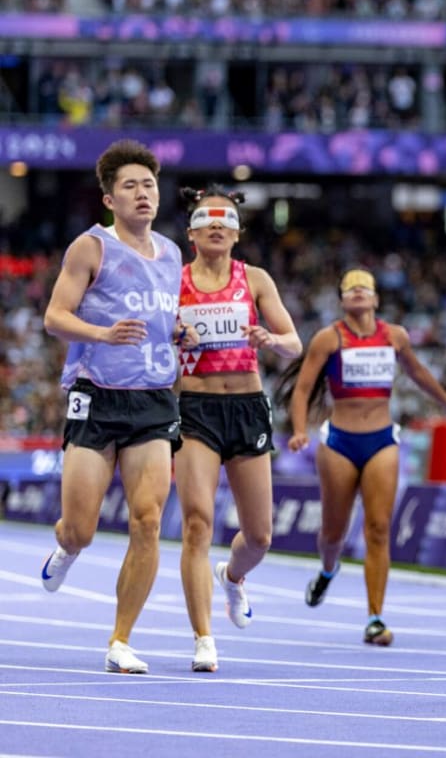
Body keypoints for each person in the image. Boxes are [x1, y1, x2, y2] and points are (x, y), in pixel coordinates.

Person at [40, 139, 200, 673]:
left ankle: (120, 640)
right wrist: (103, 334)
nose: (142, 194)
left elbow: (163, 319)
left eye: (149, 185)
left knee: (148, 521)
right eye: (129, 186)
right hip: (96, 395)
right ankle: (65, 547)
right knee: (81, 528)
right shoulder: (91, 248)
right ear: (109, 198)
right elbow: (56, 317)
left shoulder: (174, 254)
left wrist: (182, 330)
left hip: (153, 399)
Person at [283, 268, 446, 645]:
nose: (356, 291)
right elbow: (302, 389)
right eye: (349, 288)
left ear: (375, 298)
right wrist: (300, 429)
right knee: (333, 532)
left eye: (363, 287)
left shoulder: (395, 336)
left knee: (379, 529)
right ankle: (328, 568)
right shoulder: (329, 338)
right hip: (339, 443)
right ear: (341, 299)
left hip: (382, 440)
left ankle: (375, 618)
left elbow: (418, 374)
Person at [175, 185, 302, 672]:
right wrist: (170, 332)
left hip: (247, 407)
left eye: (225, 220)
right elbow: (149, 331)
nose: (216, 225)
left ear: (236, 232)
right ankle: (203, 637)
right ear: (191, 233)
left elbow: (293, 343)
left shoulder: (255, 279)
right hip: (195, 409)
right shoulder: (175, 280)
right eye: (207, 219)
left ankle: (231, 576)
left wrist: (270, 338)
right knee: (197, 523)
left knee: (261, 536)